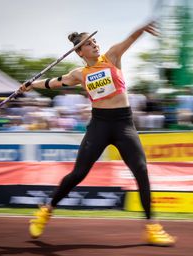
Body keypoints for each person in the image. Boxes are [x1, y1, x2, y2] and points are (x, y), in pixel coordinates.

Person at [19, 22, 176, 246]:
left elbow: (130, 39)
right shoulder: (79, 74)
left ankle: (152, 228)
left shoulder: (112, 56)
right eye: (89, 44)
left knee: (141, 170)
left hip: (124, 124)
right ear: (79, 52)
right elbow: (53, 83)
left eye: (94, 41)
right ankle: (45, 211)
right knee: (78, 174)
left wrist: (142, 29)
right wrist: (31, 85)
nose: (95, 45)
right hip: (100, 126)